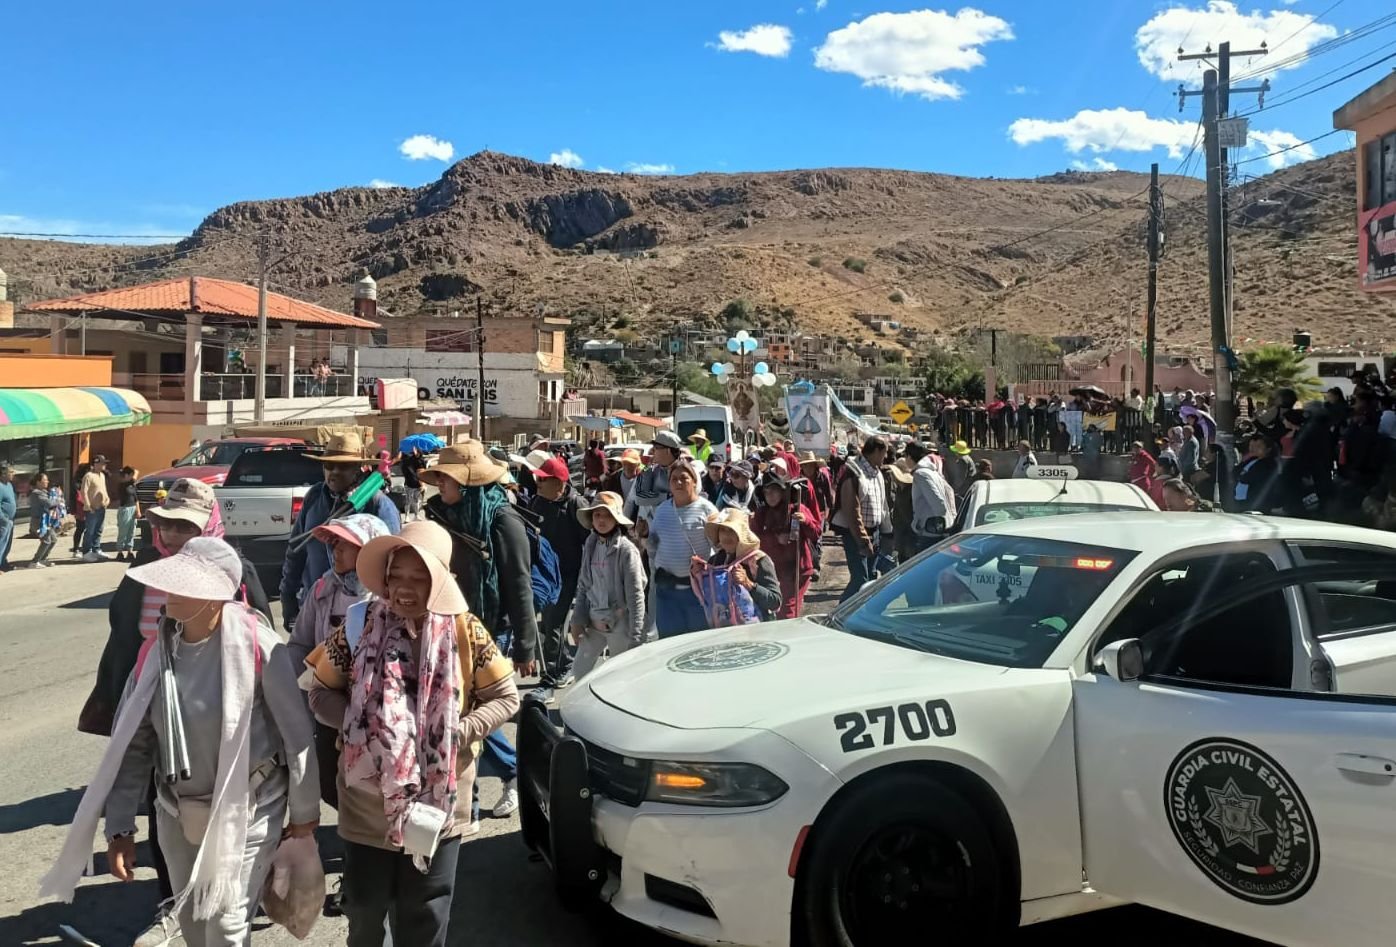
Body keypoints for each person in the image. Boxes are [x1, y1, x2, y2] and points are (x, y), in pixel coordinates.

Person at [44, 537, 319, 947]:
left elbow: (297, 736)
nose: (166, 591)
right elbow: (134, 745)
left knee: (225, 926)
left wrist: (304, 816)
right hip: (176, 811)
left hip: (250, 808)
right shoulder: (155, 655)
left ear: (214, 596)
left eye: (182, 584)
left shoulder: (261, 648)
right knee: (192, 923)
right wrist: (120, 827)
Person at [307, 521, 519, 947]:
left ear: (441, 580)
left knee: (425, 912)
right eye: (396, 576)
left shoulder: (466, 631)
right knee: (364, 910)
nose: (405, 588)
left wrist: (457, 731)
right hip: (366, 803)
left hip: (437, 805)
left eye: (419, 578)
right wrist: (361, 725)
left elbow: (506, 697)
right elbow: (318, 692)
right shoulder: (358, 625)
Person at [290, 513, 392, 810]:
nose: (336, 550)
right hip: (330, 708)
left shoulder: (388, 595)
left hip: (379, 715)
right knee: (331, 785)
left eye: (345, 545)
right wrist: (296, 695)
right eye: (334, 543)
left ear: (369, 551)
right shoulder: (323, 589)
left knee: (377, 788)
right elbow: (300, 643)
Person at [280, 431, 401, 632]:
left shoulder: (377, 504)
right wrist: (288, 596)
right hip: (315, 606)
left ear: (358, 468)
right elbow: (296, 550)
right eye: (329, 465)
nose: (334, 472)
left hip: (363, 615)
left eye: (343, 466)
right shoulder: (315, 496)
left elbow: (393, 563)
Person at [569, 492, 647, 681]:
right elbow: (584, 586)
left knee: (619, 678)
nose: (601, 520)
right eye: (597, 515)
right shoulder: (590, 543)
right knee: (579, 672)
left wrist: (636, 636)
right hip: (594, 619)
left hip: (619, 623)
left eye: (607, 515)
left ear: (616, 519)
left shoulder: (627, 551)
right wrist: (577, 620)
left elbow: (635, 596)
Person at [528, 454, 589, 689]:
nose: (538, 483)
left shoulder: (576, 504)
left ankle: (559, 668)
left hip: (567, 575)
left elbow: (590, 542)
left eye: (544, 480)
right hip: (542, 575)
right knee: (545, 624)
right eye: (538, 478)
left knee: (553, 623)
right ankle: (562, 662)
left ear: (559, 483)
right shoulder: (537, 502)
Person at [647, 458, 717, 636]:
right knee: (670, 643)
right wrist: (643, 538)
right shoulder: (661, 510)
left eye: (684, 478)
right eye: (674, 479)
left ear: (694, 482)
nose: (678, 482)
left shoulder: (707, 510)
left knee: (698, 642)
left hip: (698, 593)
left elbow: (719, 550)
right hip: (666, 593)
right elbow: (653, 546)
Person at [750, 473, 819, 619]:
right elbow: (753, 540)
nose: (770, 496)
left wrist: (806, 521)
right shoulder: (760, 514)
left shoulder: (797, 509)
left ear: (782, 492)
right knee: (779, 608)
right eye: (767, 492)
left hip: (797, 568)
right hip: (773, 570)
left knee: (787, 611)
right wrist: (775, 539)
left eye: (774, 491)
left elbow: (816, 534)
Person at [831, 437, 890, 602]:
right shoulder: (854, 473)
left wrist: (887, 532)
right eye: (884, 453)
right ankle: (841, 612)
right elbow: (852, 512)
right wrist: (863, 540)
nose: (885, 457)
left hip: (875, 532)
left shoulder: (877, 473)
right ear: (876, 451)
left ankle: (862, 613)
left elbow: (883, 505)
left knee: (871, 579)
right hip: (856, 535)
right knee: (860, 581)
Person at [700, 508, 783, 624]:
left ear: (741, 534)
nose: (726, 535)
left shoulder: (758, 560)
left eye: (732, 530)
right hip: (724, 628)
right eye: (722, 530)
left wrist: (748, 583)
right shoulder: (715, 562)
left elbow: (775, 602)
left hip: (758, 629)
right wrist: (699, 574)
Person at [906, 442, 956, 550]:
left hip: (929, 533)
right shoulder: (933, 472)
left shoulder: (921, 474)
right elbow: (950, 492)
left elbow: (939, 505)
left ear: (909, 457)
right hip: (938, 530)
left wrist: (923, 524)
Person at [1232, 435, 1280, 513]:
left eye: (1259, 446)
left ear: (1268, 449)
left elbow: (1249, 477)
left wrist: (1242, 476)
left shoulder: (1269, 463)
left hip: (1255, 500)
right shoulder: (1252, 459)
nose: (1256, 448)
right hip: (1240, 498)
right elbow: (1236, 471)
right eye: (1256, 446)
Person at [80, 454, 112, 561]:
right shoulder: (88, 476)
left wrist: (107, 499)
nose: (104, 465)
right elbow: (84, 491)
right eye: (102, 463)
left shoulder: (102, 475)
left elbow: (103, 489)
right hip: (92, 509)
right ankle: (86, 552)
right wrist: (87, 505)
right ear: (96, 464)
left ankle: (96, 549)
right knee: (90, 531)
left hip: (102, 507)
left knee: (99, 530)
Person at [28, 474, 64, 568]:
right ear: (38, 482)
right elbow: (49, 503)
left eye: (47, 480)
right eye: (45, 480)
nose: (47, 482)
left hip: (47, 521)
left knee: (53, 540)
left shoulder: (44, 492)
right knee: (46, 541)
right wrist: (58, 500)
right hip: (39, 522)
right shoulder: (36, 493)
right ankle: (34, 562)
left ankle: (42, 559)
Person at [115, 466, 140, 562]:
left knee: (131, 531)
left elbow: (136, 498)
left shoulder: (132, 485)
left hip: (133, 508)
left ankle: (130, 551)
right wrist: (134, 473)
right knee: (123, 532)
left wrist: (138, 510)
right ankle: (120, 552)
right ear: (126, 475)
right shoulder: (122, 485)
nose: (133, 477)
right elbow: (135, 477)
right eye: (131, 475)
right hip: (125, 509)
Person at [398, 445, 429, 521]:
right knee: (408, 501)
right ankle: (407, 517)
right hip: (409, 483)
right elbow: (405, 470)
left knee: (416, 500)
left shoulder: (421, 461)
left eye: (416, 450)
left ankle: (416, 515)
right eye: (414, 450)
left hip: (418, 484)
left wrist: (423, 483)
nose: (415, 452)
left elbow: (424, 472)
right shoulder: (408, 460)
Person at [70, 461, 90, 557]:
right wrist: (74, 511)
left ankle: (86, 548)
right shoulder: (77, 483)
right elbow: (75, 498)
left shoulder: (87, 481)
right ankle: (76, 549)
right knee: (80, 528)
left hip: (88, 507)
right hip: (80, 509)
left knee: (87, 529)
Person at [0, 462, 15, 573]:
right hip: (3, 521)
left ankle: (3, 563)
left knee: (7, 544)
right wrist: (3, 519)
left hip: (10, 520)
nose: (13, 474)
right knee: (1, 543)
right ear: (3, 474)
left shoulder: (9, 485)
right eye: (11, 472)